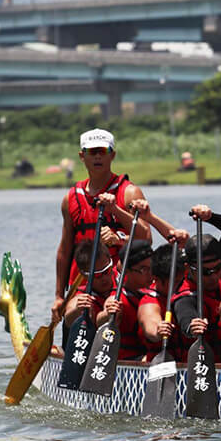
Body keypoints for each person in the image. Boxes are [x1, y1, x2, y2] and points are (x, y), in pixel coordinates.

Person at [53, 128, 149, 326]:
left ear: (112, 155)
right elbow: (64, 250)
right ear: (82, 156)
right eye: (92, 152)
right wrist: (58, 296)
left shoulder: (130, 193)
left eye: (103, 151)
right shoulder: (70, 198)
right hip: (81, 286)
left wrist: (118, 234)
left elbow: (146, 239)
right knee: (76, 331)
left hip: (117, 285)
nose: (97, 157)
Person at [172, 232, 221, 362]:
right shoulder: (185, 297)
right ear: (188, 268)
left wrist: (209, 217)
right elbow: (186, 317)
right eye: (205, 272)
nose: (213, 277)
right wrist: (192, 326)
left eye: (217, 268)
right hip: (199, 369)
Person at [98, 239, 161, 361]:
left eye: (151, 267)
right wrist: (106, 314)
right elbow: (100, 321)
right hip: (126, 366)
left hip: (152, 358)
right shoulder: (117, 299)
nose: (150, 274)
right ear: (127, 270)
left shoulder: (157, 290)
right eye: (143, 269)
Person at [62, 240, 117, 330]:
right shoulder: (82, 297)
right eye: (97, 275)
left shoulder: (124, 278)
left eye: (106, 270)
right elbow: (68, 319)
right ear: (84, 275)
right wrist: (77, 310)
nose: (104, 278)